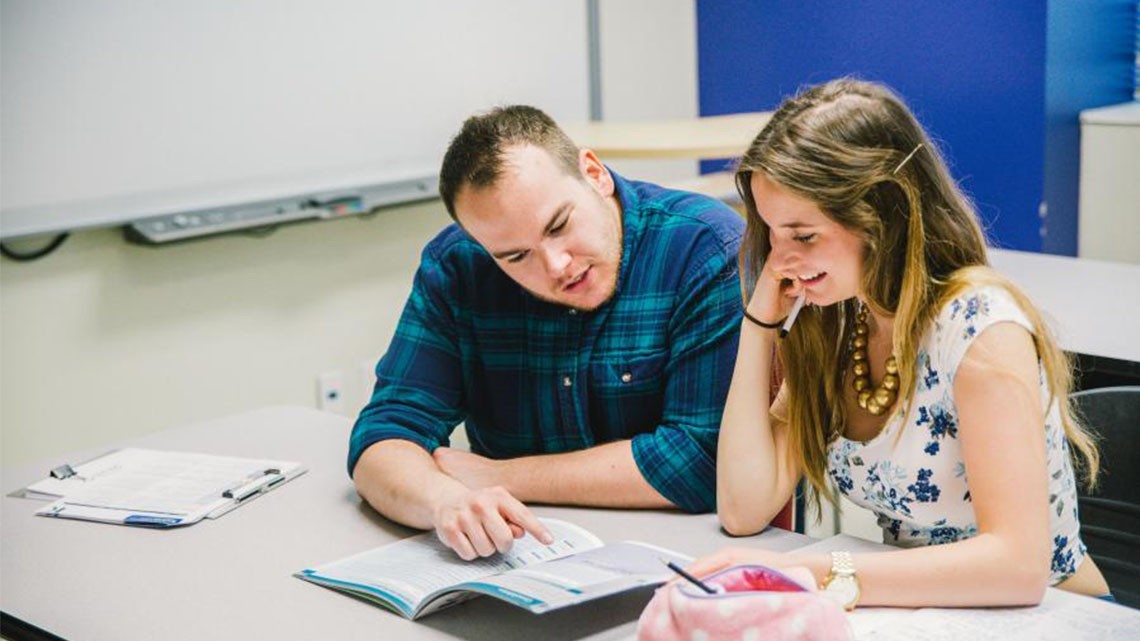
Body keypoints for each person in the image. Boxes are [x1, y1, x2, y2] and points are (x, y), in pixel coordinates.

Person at [691, 78, 1109, 608]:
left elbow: (1019, 567)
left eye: (804, 235)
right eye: (772, 233)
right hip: (932, 614)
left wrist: (818, 570)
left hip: (1055, 615)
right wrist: (758, 325)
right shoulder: (842, 318)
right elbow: (743, 508)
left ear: (882, 215)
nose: (780, 260)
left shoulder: (980, 330)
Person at [349, 105, 745, 560]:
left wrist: (499, 477)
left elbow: (701, 461)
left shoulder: (704, 246)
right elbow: (384, 434)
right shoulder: (458, 266)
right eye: (516, 256)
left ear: (594, 174)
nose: (556, 266)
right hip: (518, 558)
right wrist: (446, 501)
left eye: (559, 225)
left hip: (684, 555)